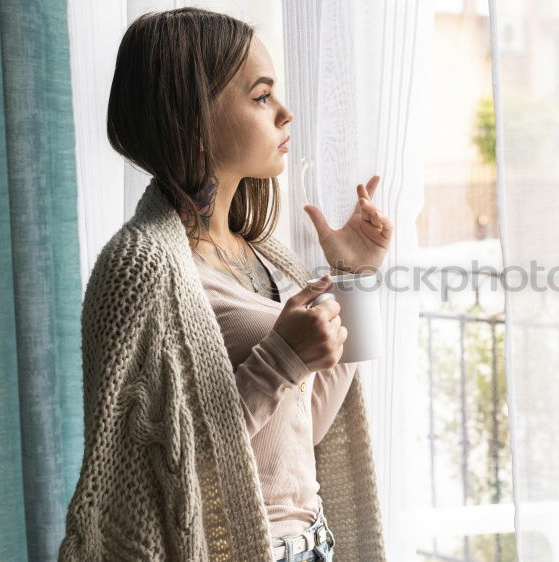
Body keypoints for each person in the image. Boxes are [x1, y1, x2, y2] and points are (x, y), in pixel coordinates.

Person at [58, 7, 392, 561]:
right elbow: (147, 481)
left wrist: (355, 280)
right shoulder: (140, 266)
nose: (285, 113)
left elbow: (305, 428)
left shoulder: (264, 255)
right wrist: (281, 359)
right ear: (190, 116)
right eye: (261, 98)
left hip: (314, 545)